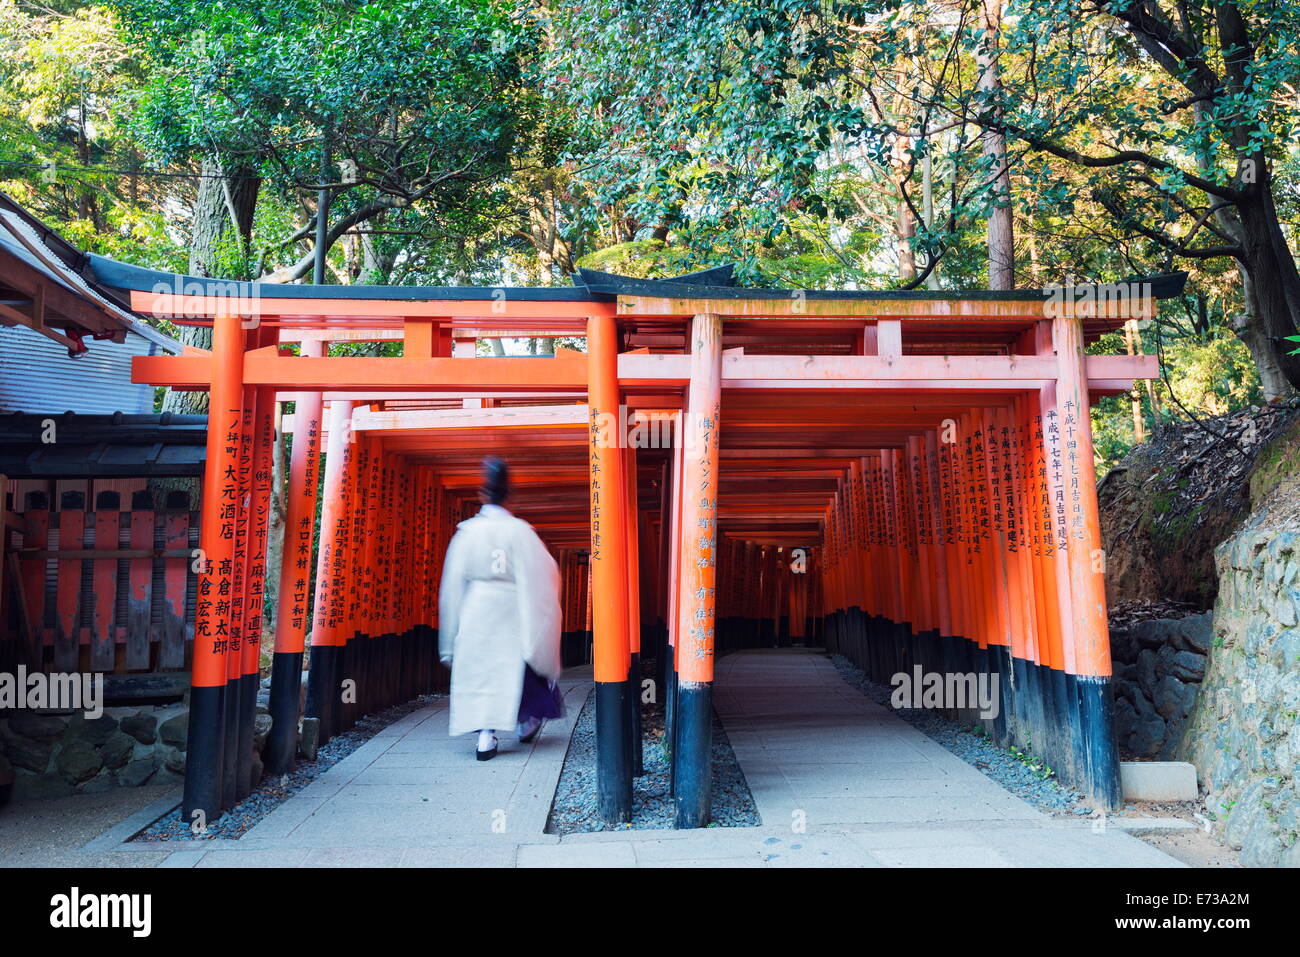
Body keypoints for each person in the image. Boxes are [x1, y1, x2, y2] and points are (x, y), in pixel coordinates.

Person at [438, 457, 565, 759]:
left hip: (477, 607)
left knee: (481, 672)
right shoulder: (520, 531)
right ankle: (528, 718)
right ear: (509, 495)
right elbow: (544, 574)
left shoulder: (467, 533)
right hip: (512, 608)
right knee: (520, 666)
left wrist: (449, 636)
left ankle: (486, 736)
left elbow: (452, 584)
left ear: (482, 495)